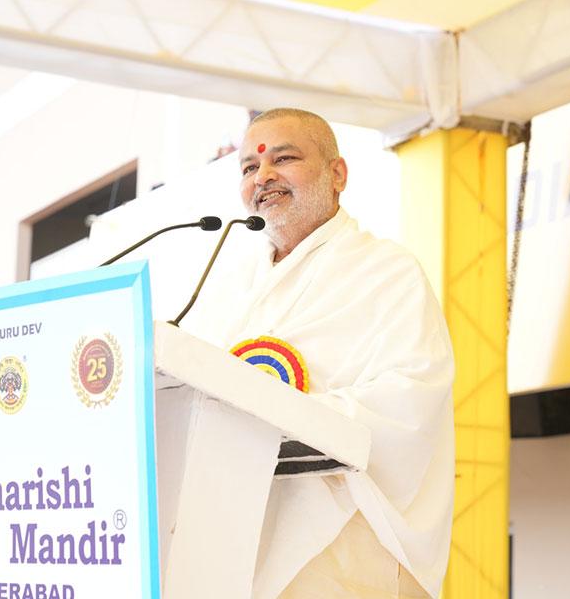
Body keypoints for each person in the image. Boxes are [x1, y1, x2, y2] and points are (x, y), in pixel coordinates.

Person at [187, 108, 454, 598]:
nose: (263, 176)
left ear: (338, 174)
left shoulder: (386, 271)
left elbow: (410, 400)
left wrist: (272, 416)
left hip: (345, 542)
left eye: (283, 159)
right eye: (249, 168)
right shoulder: (227, 286)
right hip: (238, 537)